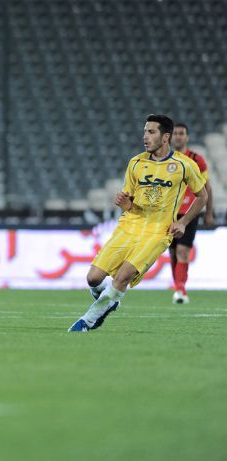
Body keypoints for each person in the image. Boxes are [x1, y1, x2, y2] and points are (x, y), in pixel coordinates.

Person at [68, 114, 208, 332]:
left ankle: (87, 321)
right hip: (130, 226)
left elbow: (202, 196)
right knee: (93, 279)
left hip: (158, 231)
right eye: (144, 132)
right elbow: (129, 200)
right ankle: (109, 299)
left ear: (165, 137)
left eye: (151, 132)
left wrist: (183, 222)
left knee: (123, 276)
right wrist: (125, 204)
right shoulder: (136, 163)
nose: (145, 136)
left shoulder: (184, 165)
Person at [168, 122, 214, 304]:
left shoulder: (197, 159)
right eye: (176, 133)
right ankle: (178, 287)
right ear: (170, 137)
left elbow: (207, 187)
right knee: (173, 253)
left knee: (183, 251)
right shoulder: (165, 159)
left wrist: (209, 212)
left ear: (187, 137)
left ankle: (180, 289)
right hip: (169, 214)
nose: (178, 136)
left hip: (190, 213)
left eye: (182, 133)